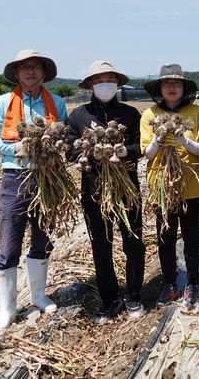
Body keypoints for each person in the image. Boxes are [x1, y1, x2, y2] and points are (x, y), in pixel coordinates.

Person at [0, 49, 68, 330]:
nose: (30, 72)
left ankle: (39, 296)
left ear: (43, 73)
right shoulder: (1, 103)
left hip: (47, 179)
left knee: (42, 239)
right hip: (14, 177)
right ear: (17, 74)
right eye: (25, 68)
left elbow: (64, 138)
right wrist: (16, 148)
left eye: (36, 67)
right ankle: (7, 311)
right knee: (9, 246)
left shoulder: (56, 102)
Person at [66, 60, 145, 324]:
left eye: (109, 79)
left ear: (118, 83)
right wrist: (86, 155)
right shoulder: (77, 115)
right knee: (101, 245)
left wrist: (124, 152)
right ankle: (109, 298)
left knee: (133, 243)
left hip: (127, 190)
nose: (104, 84)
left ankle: (134, 294)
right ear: (90, 84)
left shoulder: (131, 114)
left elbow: (139, 147)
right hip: (93, 191)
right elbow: (69, 149)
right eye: (99, 80)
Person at [140, 64, 199, 310]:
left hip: (191, 184)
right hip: (161, 186)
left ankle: (192, 282)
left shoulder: (196, 112)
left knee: (192, 235)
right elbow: (147, 155)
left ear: (183, 88)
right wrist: (159, 141)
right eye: (167, 83)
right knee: (165, 236)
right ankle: (169, 283)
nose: (171, 87)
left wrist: (184, 141)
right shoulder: (149, 115)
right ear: (160, 88)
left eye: (176, 83)